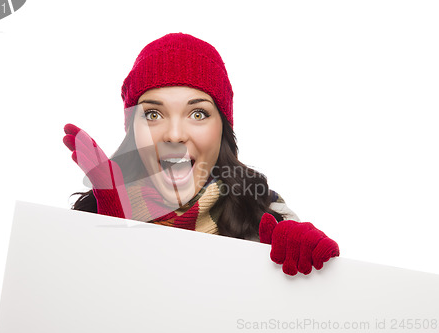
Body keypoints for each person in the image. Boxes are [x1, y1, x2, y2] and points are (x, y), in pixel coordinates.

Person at [63, 33, 339, 276]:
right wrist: (110, 225)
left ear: (222, 129)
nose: (174, 135)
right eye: (153, 114)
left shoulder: (266, 215)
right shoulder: (88, 216)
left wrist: (310, 277)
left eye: (198, 113)